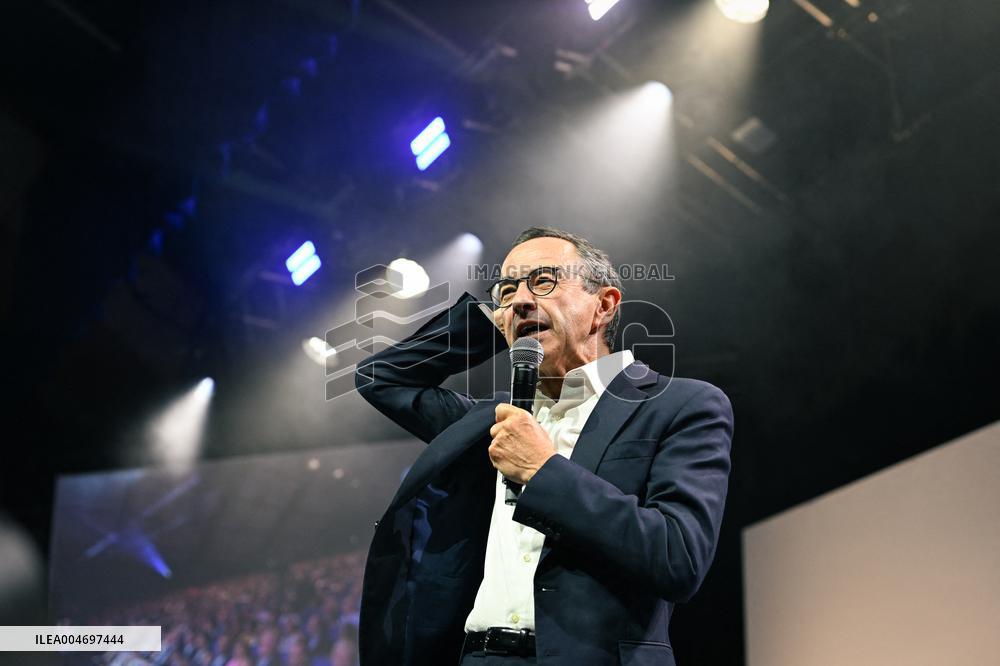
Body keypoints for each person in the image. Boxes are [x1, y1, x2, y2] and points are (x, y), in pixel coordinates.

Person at [354, 228, 733, 665]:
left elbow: (677, 556)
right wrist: (486, 324)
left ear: (604, 306)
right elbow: (380, 377)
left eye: (544, 281)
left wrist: (543, 471)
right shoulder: (487, 423)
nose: (519, 299)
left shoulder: (681, 405)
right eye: (507, 290)